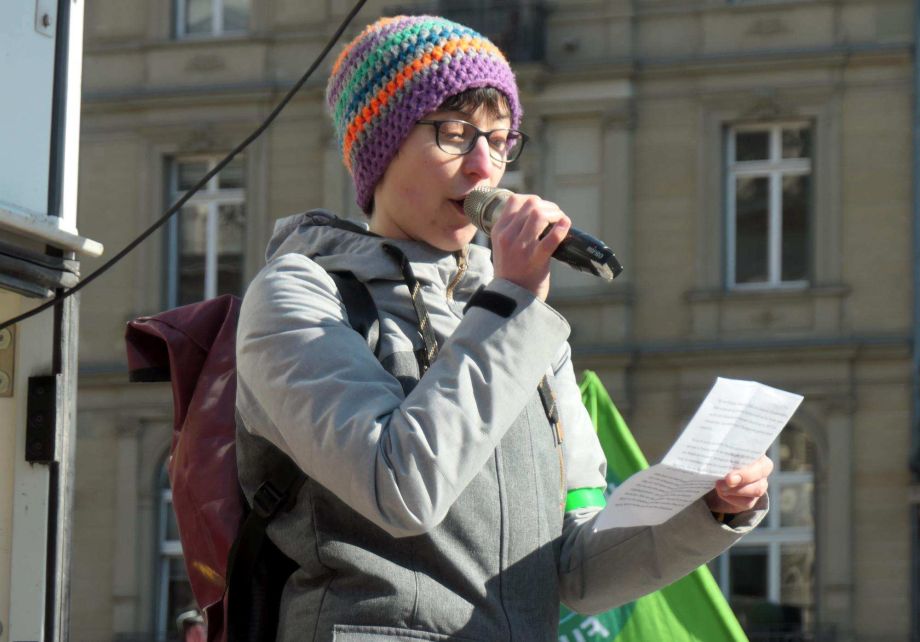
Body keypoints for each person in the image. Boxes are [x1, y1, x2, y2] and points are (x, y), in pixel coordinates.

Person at [235, 14, 771, 642]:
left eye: (500, 139)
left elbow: (572, 569)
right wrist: (512, 298)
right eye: (455, 135)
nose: (483, 167)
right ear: (378, 147)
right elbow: (399, 488)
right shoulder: (299, 294)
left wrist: (704, 510)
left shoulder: (524, 325)